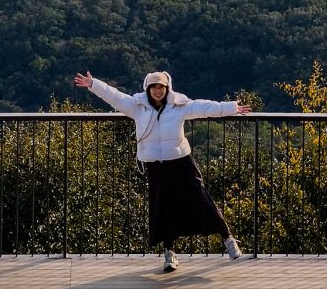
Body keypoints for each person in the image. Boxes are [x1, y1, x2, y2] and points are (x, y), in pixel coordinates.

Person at [74, 68, 251, 272]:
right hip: (156, 166)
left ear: (168, 89)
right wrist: (93, 84)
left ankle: (228, 239)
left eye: (161, 87)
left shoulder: (179, 106)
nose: (157, 91)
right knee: (164, 208)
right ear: (147, 89)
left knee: (202, 199)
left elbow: (204, 107)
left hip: (181, 161)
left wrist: (231, 108)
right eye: (154, 87)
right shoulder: (137, 107)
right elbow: (114, 96)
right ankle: (170, 254)